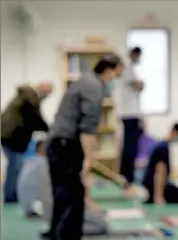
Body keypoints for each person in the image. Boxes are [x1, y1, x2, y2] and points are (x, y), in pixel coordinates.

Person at [41, 55, 123, 240]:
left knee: (63, 192)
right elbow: (88, 129)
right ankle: (64, 235)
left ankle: (56, 232)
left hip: (58, 143)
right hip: (66, 146)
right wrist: (88, 158)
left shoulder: (84, 81)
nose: (115, 81)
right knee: (71, 194)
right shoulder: (93, 87)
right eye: (116, 75)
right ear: (108, 70)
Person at [1, 82, 52, 203]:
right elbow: (37, 120)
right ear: (40, 87)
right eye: (47, 91)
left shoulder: (25, 98)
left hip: (7, 135)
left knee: (14, 166)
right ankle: (11, 197)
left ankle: (12, 195)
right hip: (12, 136)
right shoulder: (31, 99)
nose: (47, 95)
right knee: (15, 167)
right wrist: (51, 131)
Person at [117, 47, 144, 194]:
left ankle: (127, 177)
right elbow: (137, 86)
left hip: (132, 114)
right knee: (130, 149)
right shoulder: (127, 68)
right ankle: (127, 178)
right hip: (129, 114)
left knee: (130, 147)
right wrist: (141, 85)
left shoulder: (131, 68)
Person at [142, 123, 178, 204]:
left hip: (150, 184)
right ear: (175, 132)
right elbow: (160, 172)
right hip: (153, 186)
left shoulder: (161, 144)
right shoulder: (163, 148)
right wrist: (159, 196)